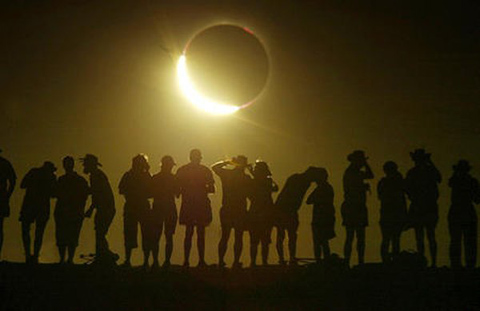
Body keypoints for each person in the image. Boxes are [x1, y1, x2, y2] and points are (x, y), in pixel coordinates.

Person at [176, 149, 215, 267]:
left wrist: (187, 189)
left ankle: (186, 261)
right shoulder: (205, 171)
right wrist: (201, 189)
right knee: (200, 233)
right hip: (201, 205)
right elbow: (212, 189)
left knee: (189, 233)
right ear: (199, 157)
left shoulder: (182, 170)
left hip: (188, 204)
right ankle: (201, 260)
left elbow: (177, 192)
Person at [213, 155, 252, 268]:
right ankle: (235, 262)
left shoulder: (227, 174)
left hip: (227, 208)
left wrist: (227, 162)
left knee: (225, 236)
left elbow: (214, 167)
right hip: (240, 210)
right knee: (238, 237)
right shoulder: (246, 178)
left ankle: (221, 261)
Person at [405, 149, 441, 267]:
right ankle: (428, 262)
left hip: (423, 206)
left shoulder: (414, 172)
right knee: (426, 235)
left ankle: (429, 261)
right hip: (425, 206)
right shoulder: (423, 171)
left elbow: (439, 178)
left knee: (424, 235)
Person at [275, 167, 318, 265]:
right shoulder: (301, 181)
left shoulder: (298, 179)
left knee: (286, 235)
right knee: (287, 235)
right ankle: (287, 258)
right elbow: (288, 194)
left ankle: (287, 258)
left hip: (287, 210)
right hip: (285, 210)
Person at [82, 154, 117, 264]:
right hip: (106, 207)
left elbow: (97, 195)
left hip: (105, 208)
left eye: (86, 164)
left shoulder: (96, 176)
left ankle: (105, 255)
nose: (84, 166)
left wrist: (91, 209)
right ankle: (103, 254)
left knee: (99, 232)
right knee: (100, 232)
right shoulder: (97, 175)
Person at [19, 161, 57, 263]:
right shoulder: (52, 177)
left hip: (29, 204)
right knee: (39, 232)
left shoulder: (34, 172)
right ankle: (35, 255)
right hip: (42, 207)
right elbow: (54, 194)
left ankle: (28, 254)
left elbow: (22, 184)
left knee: (26, 230)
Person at [54, 156, 89, 264]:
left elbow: (85, 195)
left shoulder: (63, 180)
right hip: (69, 212)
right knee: (67, 236)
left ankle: (66, 259)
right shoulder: (78, 180)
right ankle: (67, 259)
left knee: (67, 236)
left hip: (70, 211)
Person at [118, 154, 152, 267]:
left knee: (134, 234)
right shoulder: (144, 175)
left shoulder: (129, 175)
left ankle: (131, 260)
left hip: (134, 206)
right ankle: (141, 261)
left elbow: (121, 189)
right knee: (140, 234)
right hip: (139, 206)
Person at [341, 150, 374, 266]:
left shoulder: (352, 172)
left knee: (353, 236)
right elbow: (370, 175)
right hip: (354, 207)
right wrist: (365, 163)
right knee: (355, 236)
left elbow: (370, 175)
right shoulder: (353, 173)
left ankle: (351, 261)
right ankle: (357, 262)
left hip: (354, 206)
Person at [448, 160, 479, 268]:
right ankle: (469, 264)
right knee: (469, 240)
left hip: (456, 211)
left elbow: (450, 182)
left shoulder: (455, 181)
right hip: (467, 211)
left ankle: (456, 264)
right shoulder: (472, 181)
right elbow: (477, 199)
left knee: (456, 240)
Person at [151, 155, 180, 268]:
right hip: (170, 208)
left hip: (157, 207)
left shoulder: (155, 177)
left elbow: (150, 193)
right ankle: (167, 261)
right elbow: (177, 194)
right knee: (169, 236)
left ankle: (155, 261)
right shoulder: (174, 178)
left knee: (156, 236)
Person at [247, 161, 278, 267]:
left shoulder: (253, 181)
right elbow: (275, 188)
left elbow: (250, 194)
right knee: (265, 240)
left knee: (254, 240)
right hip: (267, 212)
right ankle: (264, 262)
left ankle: (253, 262)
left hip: (255, 211)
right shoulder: (268, 181)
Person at [377, 161, 407, 263]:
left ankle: (387, 261)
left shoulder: (383, 182)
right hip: (394, 214)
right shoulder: (396, 181)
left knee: (388, 239)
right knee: (394, 239)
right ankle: (393, 261)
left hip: (388, 214)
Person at [306, 168, 335, 263]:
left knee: (320, 242)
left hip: (321, 218)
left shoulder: (323, 188)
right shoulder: (327, 187)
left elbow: (309, 200)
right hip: (324, 218)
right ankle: (324, 261)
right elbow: (309, 200)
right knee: (323, 242)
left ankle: (320, 261)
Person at [0, 149, 16, 260]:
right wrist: (8, 195)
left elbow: (13, 180)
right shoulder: (5, 163)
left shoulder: (5, 164)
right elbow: (13, 180)